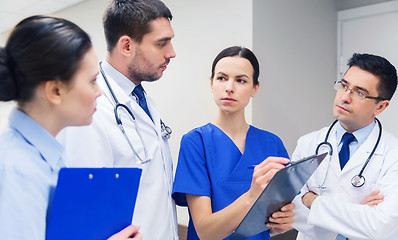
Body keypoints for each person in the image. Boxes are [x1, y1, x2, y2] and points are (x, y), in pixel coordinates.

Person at [0, 15, 141, 240]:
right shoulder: (16, 169)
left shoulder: (46, 158)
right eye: (92, 80)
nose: (99, 92)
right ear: (55, 91)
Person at [58, 0, 178, 238]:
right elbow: (84, 208)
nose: (171, 53)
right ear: (126, 46)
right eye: (161, 43)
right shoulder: (90, 109)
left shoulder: (142, 99)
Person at [172, 46, 295, 240]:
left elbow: (270, 221)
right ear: (212, 84)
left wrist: (281, 222)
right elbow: (205, 232)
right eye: (222, 78)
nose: (229, 87)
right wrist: (251, 196)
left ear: (255, 88)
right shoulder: (196, 143)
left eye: (241, 80)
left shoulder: (272, 144)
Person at [292, 53, 398, 239]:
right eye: (343, 86)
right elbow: (290, 211)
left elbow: (380, 227)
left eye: (359, 92)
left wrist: (311, 199)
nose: (345, 97)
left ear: (380, 107)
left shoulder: (393, 154)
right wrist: (356, 210)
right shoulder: (308, 143)